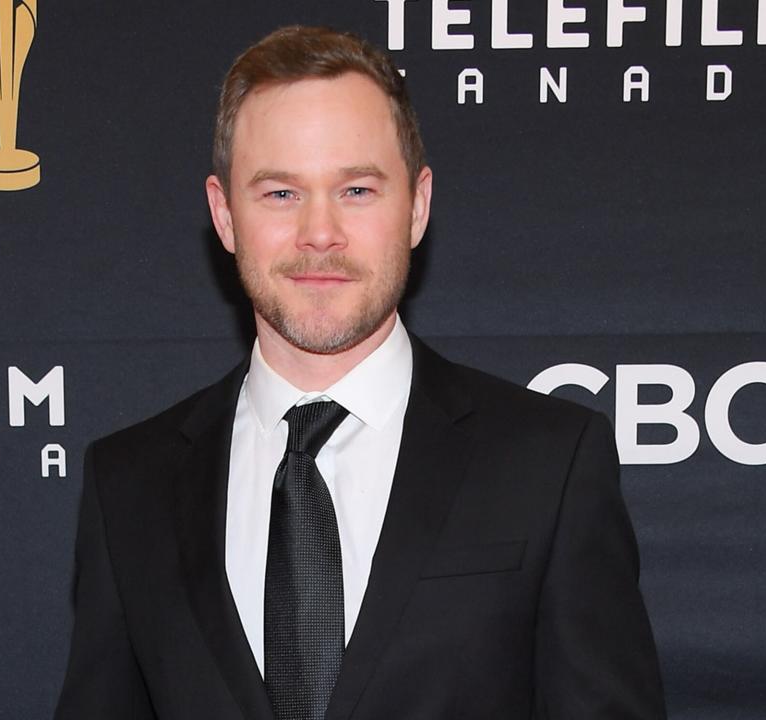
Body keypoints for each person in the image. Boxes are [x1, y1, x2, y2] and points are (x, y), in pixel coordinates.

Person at [54, 25, 666, 720]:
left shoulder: (548, 464)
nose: (320, 232)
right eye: (281, 193)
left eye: (357, 190)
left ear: (418, 206)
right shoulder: (129, 485)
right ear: (225, 216)